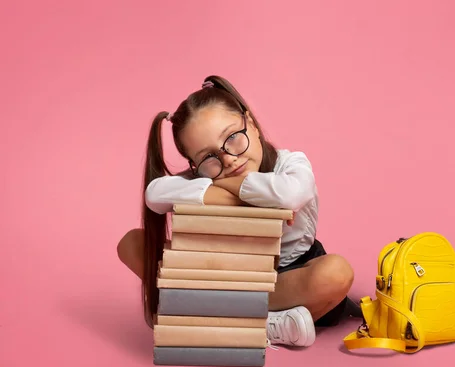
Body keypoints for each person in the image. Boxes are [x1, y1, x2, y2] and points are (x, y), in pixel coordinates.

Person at [116, 75, 355, 347]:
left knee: (336, 273)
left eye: (232, 138)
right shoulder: (207, 177)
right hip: (225, 276)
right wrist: (244, 197)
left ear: (251, 123)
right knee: (132, 244)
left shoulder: (290, 163)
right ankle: (257, 323)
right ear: (195, 165)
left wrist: (227, 186)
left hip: (289, 278)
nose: (228, 159)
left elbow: (291, 194)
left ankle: (240, 320)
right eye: (208, 157)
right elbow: (154, 193)